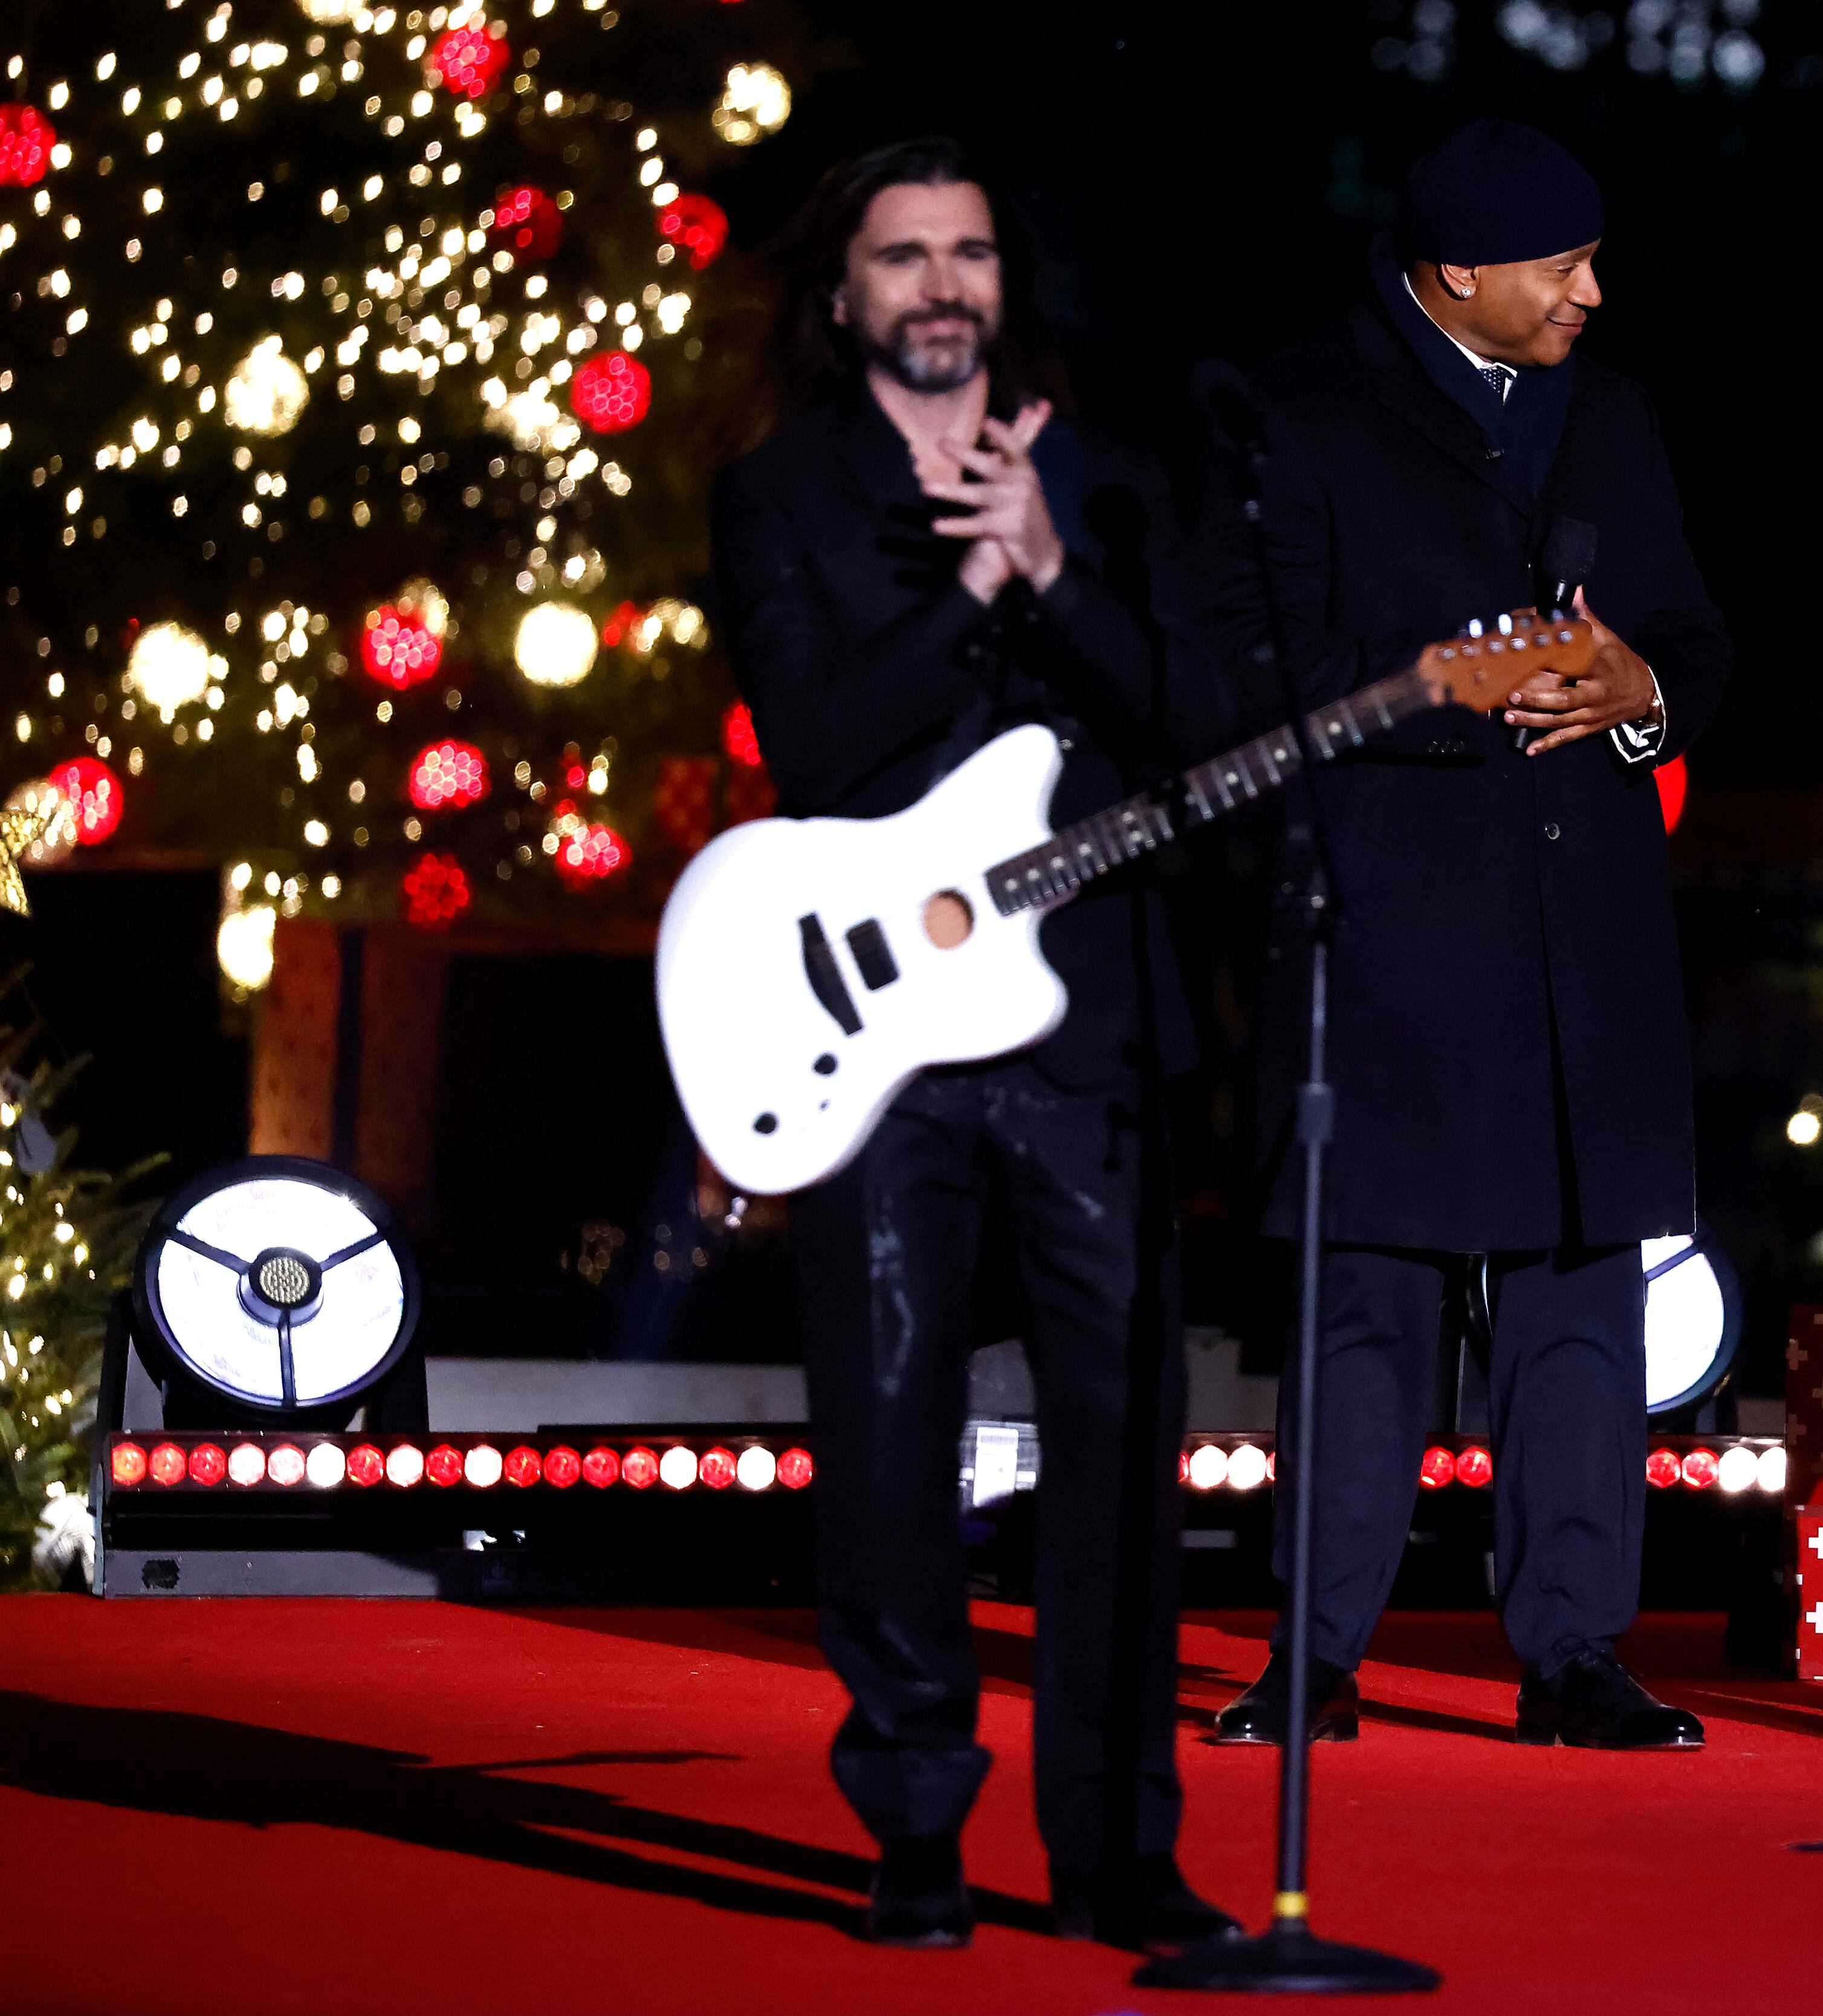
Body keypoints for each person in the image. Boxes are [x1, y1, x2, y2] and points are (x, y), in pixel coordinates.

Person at [707, 138, 1239, 1951]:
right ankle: (917, 1827)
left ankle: (1120, 1852)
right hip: (877, 1048)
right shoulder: (786, 492)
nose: (945, 284)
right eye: (906, 255)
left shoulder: (1101, 476)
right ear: (843, 293)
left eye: (974, 254)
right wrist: (974, 597)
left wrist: (1056, 567)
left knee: (1121, 1456)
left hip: (1087, 1034)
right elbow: (814, 741)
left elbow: (1194, 724)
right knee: (887, 1440)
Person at [1185, 120, 1731, 1749]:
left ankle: (1573, 1654)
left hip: (1588, 941)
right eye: (1562, 266)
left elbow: (1692, 632)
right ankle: (1316, 1654)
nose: (1593, 293)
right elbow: (1246, 668)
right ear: (1458, 273)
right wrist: (1459, 684)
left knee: (1581, 1299)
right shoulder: (1296, 408)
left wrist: (1643, 693)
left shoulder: (1617, 418)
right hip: (1399, 937)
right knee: (1368, 1306)